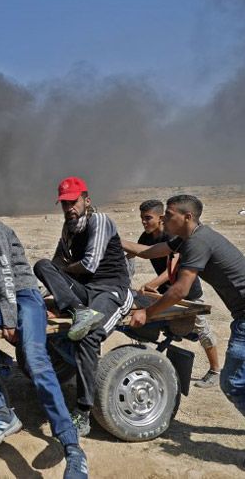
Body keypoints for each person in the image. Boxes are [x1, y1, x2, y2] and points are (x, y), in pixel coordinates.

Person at [0, 190, 88, 478]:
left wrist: (10, 318)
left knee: (37, 363)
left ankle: (73, 449)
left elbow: (5, 273)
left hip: (23, 298)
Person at [124, 195, 245, 419]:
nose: (165, 220)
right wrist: (113, 240)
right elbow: (149, 251)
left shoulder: (197, 242)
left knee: (233, 382)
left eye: (169, 215)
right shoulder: (185, 238)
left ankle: (214, 369)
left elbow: (180, 289)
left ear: (187, 217)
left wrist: (147, 312)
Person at [33, 177, 133, 436]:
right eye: (64, 204)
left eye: (73, 202)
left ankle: (83, 411)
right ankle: (79, 310)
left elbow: (88, 264)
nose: (69, 208)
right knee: (41, 265)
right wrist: (48, 292)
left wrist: (62, 275)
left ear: (86, 201)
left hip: (111, 290)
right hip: (84, 293)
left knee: (88, 336)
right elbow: (53, 265)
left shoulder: (99, 221)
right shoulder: (68, 229)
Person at [129, 199, 220, 388]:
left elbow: (173, 266)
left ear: (161, 218)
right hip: (164, 293)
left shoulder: (171, 237)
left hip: (186, 292)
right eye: (142, 219)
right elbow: (135, 253)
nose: (144, 222)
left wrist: (151, 283)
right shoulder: (146, 237)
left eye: (148, 218)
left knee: (202, 331)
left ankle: (215, 370)